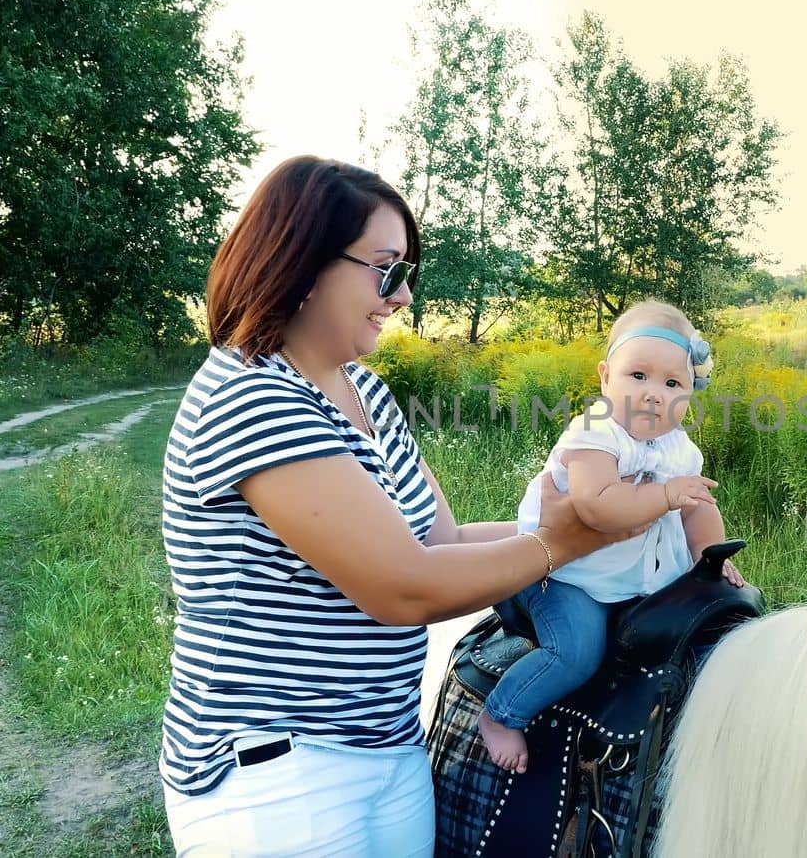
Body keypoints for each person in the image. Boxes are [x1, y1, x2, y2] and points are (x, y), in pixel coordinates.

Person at [157, 155, 644, 858]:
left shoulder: (363, 391)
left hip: (387, 747)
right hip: (278, 771)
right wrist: (559, 544)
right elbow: (403, 586)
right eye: (386, 270)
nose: (404, 295)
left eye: (407, 272)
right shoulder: (253, 396)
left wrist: (611, 526)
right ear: (302, 261)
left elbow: (442, 540)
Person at [476, 300, 747, 773]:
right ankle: (502, 713)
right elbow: (597, 505)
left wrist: (709, 555)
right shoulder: (595, 433)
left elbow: (699, 510)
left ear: (689, 394)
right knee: (576, 653)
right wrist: (665, 495)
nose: (653, 394)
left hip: (630, 583)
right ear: (606, 378)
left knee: (698, 628)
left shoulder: (679, 449)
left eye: (672, 384)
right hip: (564, 577)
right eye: (637, 376)